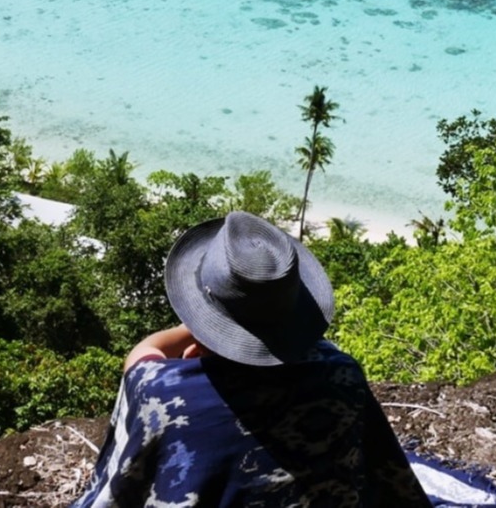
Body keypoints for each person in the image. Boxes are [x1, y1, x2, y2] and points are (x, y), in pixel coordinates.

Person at [69, 210, 433, 507]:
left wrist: (194, 327)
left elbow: (143, 355)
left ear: (202, 322)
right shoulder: (343, 376)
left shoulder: (164, 398)